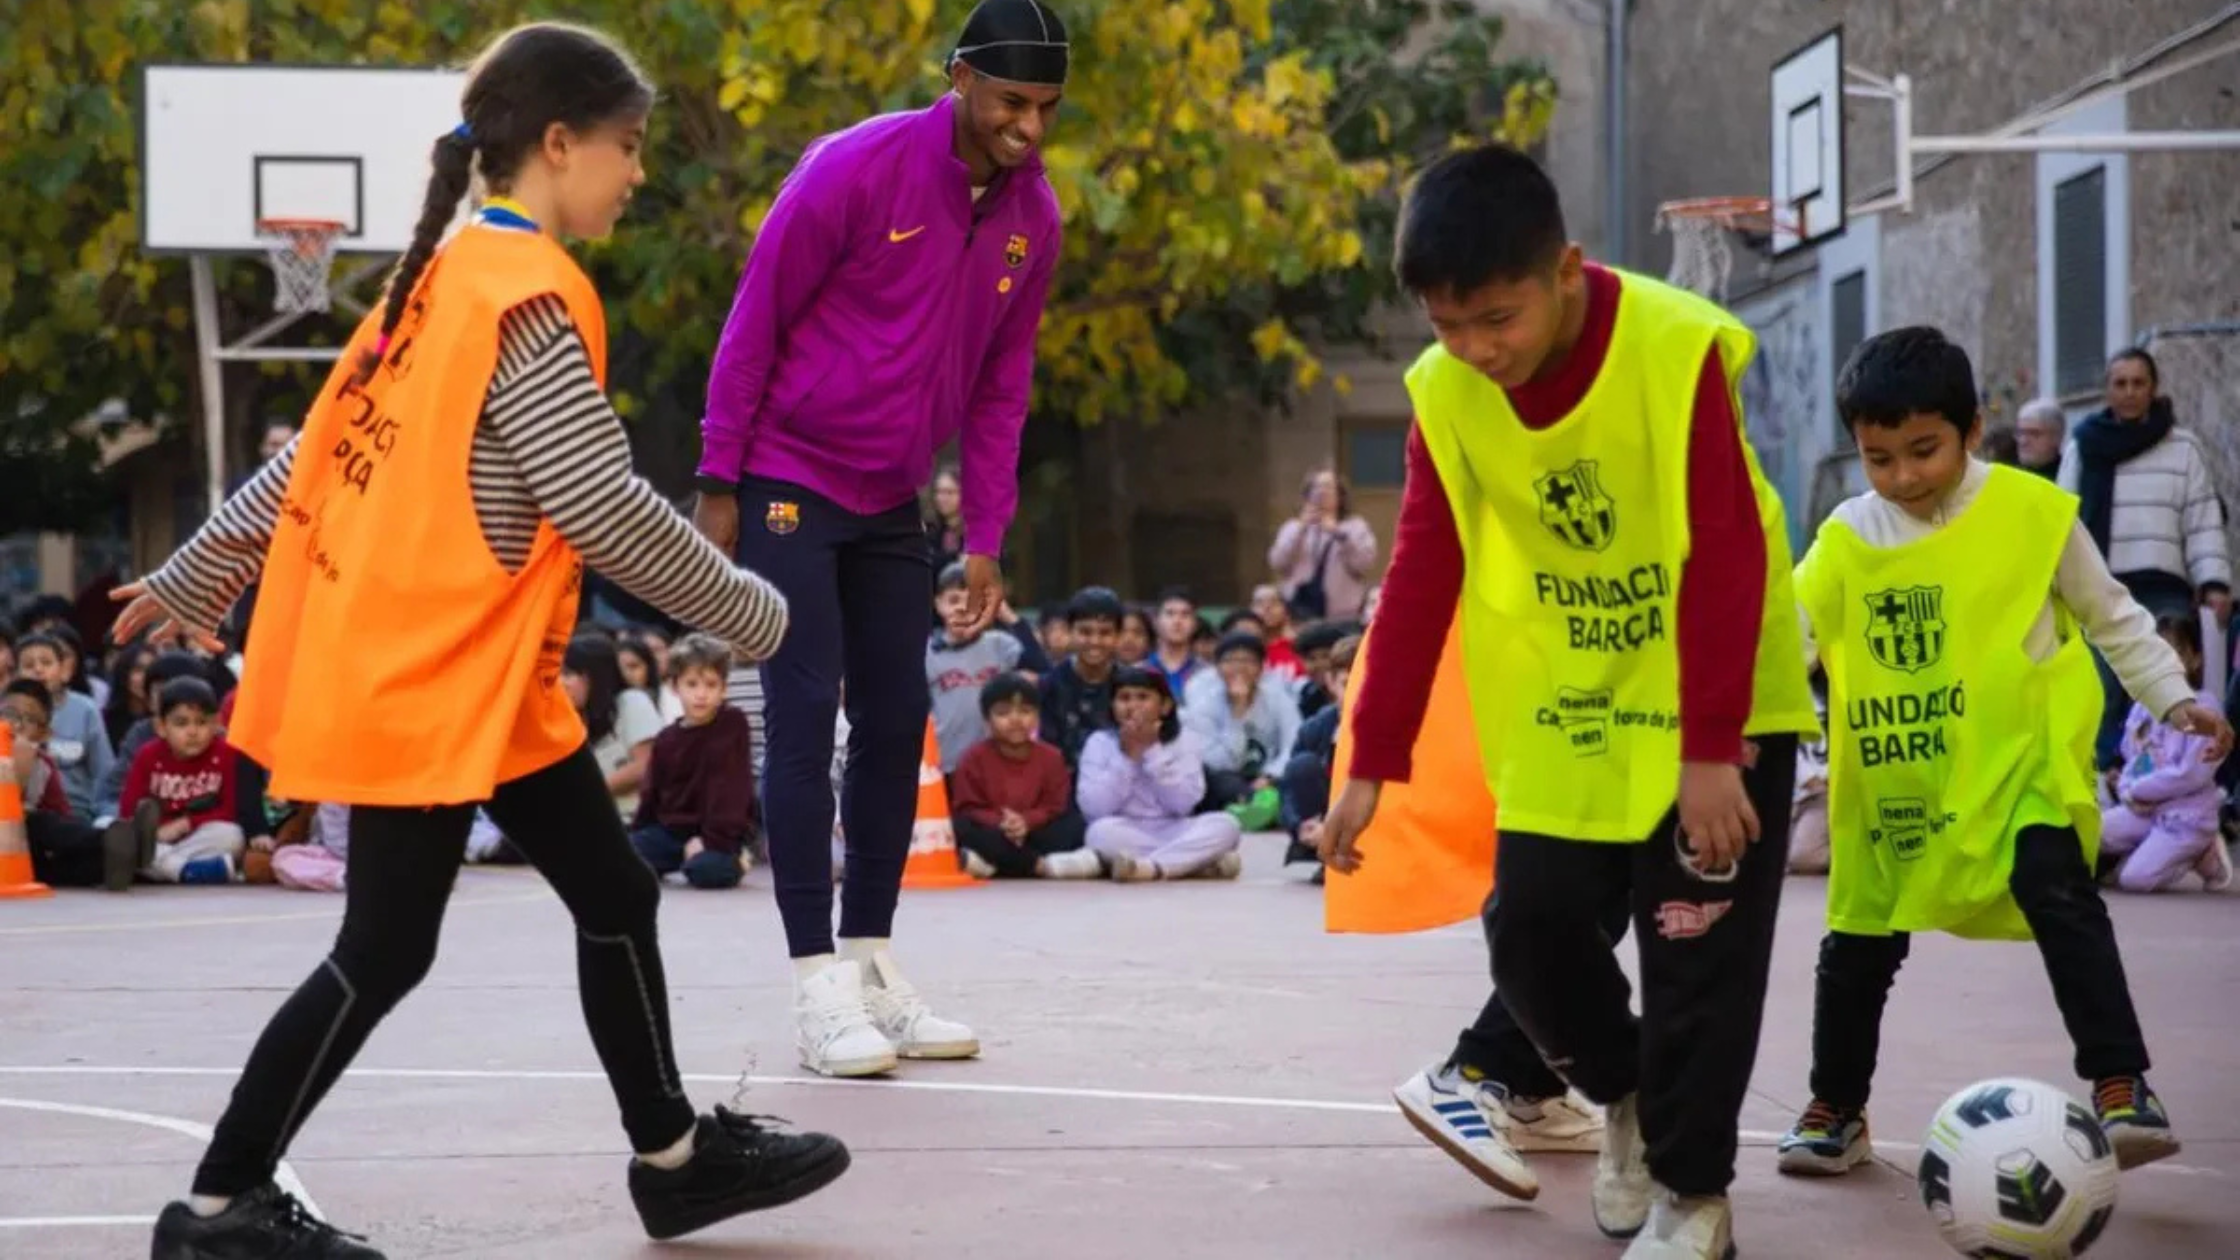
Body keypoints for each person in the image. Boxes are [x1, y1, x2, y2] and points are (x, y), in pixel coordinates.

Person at [115, 24, 847, 1259]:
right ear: (557, 145)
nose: (637, 173)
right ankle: (219, 1204)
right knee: (386, 946)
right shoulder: (521, 295)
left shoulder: (441, 282)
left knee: (614, 892)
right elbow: (600, 503)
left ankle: (671, 1159)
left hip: (474, 675)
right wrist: (757, 612)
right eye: (627, 147)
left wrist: (206, 556)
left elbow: (314, 461)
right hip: (436, 673)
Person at [1317, 143, 1818, 1260]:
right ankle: (1623, 1095)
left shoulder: (1669, 344)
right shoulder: (1446, 392)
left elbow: (1727, 551)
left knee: (1695, 948)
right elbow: (1420, 571)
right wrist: (1370, 758)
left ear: (1565, 272)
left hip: (1712, 689)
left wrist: (1710, 749)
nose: (1473, 350)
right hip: (1569, 698)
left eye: (1495, 319)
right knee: (1530, 922)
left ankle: (1694, 1197)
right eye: (1446, 326)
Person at [691, 0, 1066, 1078]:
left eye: (1045, 108)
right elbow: (753, 317)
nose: (1027, 128)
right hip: (786, 476)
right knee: (806, 713)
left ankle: (868, 964)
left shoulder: (1032, 219)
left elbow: (1002, 386)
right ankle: (813, 983)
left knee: (899, 715)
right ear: (958, 78)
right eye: (1010, 102)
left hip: (892, 495)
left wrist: (985, 530)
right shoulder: (851, 169)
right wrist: (719, 482)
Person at [1778, 326, 2229, 1185]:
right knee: (1858, 944)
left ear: (1971, 430)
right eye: (1879, 458)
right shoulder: (1846, 537)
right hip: (1894, 782)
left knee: (2063, 893)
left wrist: (2175, 697)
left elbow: (2113, 614)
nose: (1904, 477)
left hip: (2017, 769)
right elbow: (1786, 640)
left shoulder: (2032, 515)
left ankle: (2121, 1084)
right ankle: (1835, 1107)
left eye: (1924, 450)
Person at [630, 633, 759, 890]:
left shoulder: (732, 724)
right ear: (675, 687)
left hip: (720, 832)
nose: (701, 694)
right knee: (625, 855)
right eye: (692, 684)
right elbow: (651, 791)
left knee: (706, 871)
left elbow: (730, 789)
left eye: (711, 685)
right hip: (673, 831)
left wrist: (710, 840)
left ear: (724, 689)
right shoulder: (667, 738)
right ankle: (681, 858)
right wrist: (638, 835)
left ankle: (737, 859)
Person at [948, 672, 1100, 878]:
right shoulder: (973, 757)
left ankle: (995, 866)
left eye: (1025, 711)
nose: (1015, 720)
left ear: (1037, 717)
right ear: (987, 720)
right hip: (995, 830)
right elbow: (968, 806)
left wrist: (1026, 821)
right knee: (960, 827)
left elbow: (1055, 805)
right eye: (1003, 713)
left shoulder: (1051, 756)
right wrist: (1002, 822)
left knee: (1074, 826)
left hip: (1034, 831)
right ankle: (1040, 866)